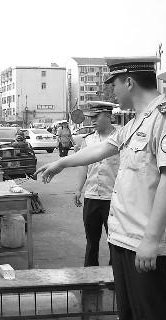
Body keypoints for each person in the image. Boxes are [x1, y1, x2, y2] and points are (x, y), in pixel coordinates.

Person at [36, 57, 166, 320]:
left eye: (114, 85)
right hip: (123, 241)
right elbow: (102, 149)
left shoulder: (165, 117)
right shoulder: (136, 122)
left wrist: (151, 240)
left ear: (129, 82)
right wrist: (61, 163)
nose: (113, 92)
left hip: (146, 246)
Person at [74, 101, 119, 267]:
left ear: (108, 116)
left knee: (115, 242)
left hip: (113, 199)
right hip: (92, 197)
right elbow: (83, 166)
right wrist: (78, 189)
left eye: (96, 116)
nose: (92, 120)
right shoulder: (88, 140)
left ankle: (115, 276)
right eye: (90, 117)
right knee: (91, 241)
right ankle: (89, 277)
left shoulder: (120, 137)